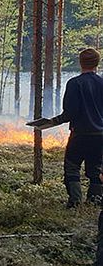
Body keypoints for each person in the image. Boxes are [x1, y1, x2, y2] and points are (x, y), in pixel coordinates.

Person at [48, 48, 103, 208]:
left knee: (72, 167)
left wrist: (50, 122)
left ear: (80, 62)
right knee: (95, 169)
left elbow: (69, 113)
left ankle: (75, 202)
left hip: (80, 135)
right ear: (97, 63)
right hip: (100, 136)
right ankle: (95, 201)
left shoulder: (74, 83)